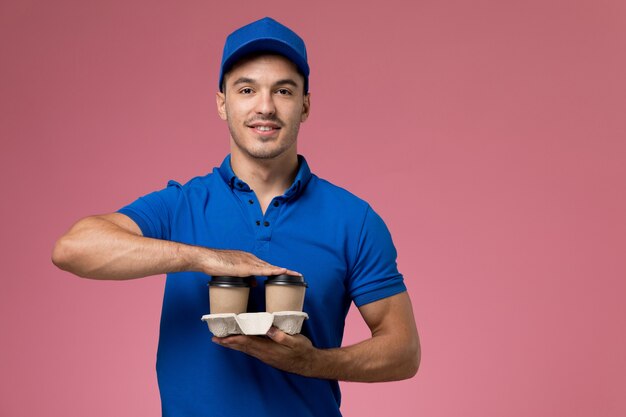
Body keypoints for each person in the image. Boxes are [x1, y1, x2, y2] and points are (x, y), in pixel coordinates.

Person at [52, 16, 420, 417]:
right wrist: (208, 258)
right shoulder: (183, 205)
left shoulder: (354, 220)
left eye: (283, 90)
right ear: (222, 103)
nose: (265, 106)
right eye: (247, 89)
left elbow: (403, 351)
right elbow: (73, 248)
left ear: (306, 104)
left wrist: (312, 363)